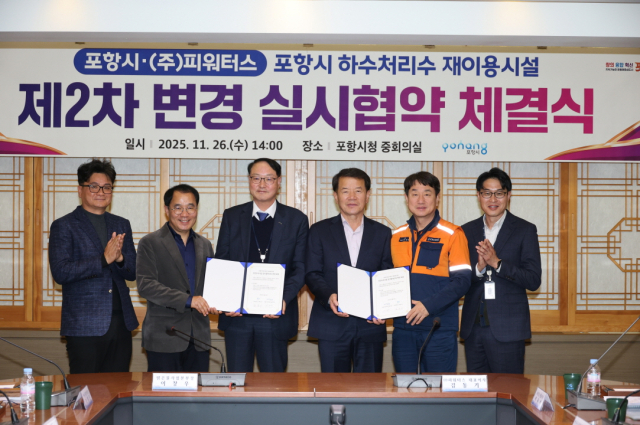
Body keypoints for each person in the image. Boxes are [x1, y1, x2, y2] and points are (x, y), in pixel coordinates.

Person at [212, 158, 308, 372]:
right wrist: (226, 300)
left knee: (274, 383)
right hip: (237, 317)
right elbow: (222, 262)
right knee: (237, 380)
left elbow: (300, 267)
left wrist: (283, 299)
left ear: (279, 181)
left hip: (274, 317)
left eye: (268, 179)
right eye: (256, 178)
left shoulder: (296, 219)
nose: (262, 184)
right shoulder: (232, 216)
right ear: (249, 181)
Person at [49, 159, 138, 374]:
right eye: (94, 186)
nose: (101, 192)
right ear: (80, 190)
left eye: (107, 187)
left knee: (119, 387)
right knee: (85, 389)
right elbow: (61, 271)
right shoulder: (64, 225)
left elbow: (133, 271)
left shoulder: (121, 224)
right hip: (84, 324)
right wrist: (103, 259)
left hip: (121, 323)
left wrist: (120, 259)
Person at [306, 168, 393, 373]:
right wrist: (329, 296)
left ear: (368, 195)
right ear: (336, 196)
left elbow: (387, 274)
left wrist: (383, 307)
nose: (352, 197)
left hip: (370, 325)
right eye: (345, 191)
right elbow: (312, 272)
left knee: (370, 388)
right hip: (331, 324)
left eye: (358, 191)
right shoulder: (319, 231)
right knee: (334, 387)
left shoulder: (383, 233)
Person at [460, 168, 542, 374]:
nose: (493, 199)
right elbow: (458, 280)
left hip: (508, 329)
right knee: (476, 391)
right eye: (487, 193)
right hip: (473, 329)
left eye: (499, 193)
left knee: (508, 389)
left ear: (509, 195)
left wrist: (497, 263)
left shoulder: (525, 230)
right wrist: (479, 268)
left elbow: (533, 280)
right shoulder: (465, 231)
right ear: (478, 195)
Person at [390, 171, 471, 373]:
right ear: (406, 198)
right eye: (414, 193)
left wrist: (428, 306)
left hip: (438, 327)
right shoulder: (396, 235)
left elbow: (462, 281)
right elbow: (386, 280)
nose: (421, 200)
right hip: (403, 329)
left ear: (437, 198)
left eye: (427, 193)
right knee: (405, 386)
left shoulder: (453, 234)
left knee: (438, 388)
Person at [136, 184, 214, 372]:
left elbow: (210, 285)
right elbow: (146, 285)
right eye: (178, 208)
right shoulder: (150, 242)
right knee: (165, 392)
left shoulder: (205, 245)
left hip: (199, 338)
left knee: (199, 391)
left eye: (190, 207)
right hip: (164, 337)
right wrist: (188, 300)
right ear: (167, 210)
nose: (184, 214)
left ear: (196, 209)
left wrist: (217, 301)